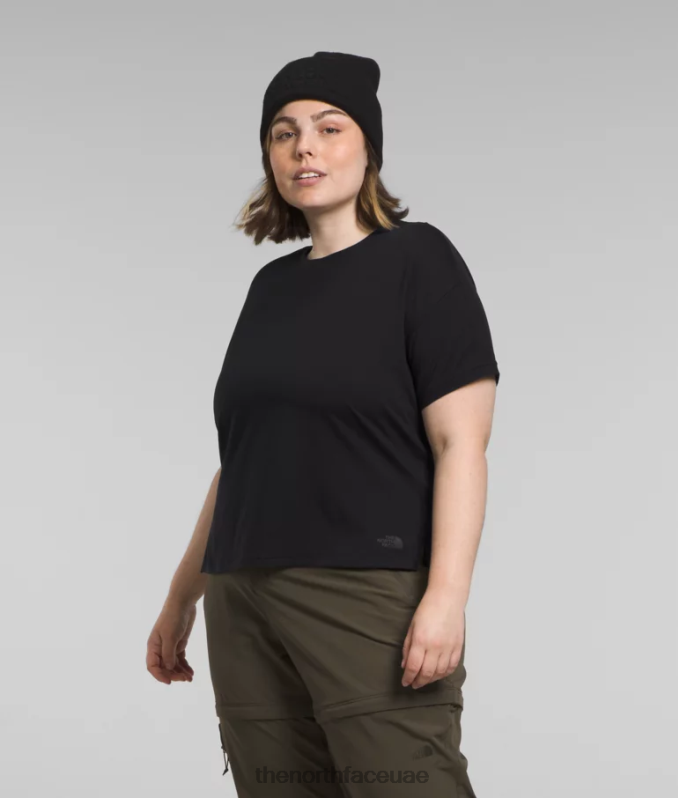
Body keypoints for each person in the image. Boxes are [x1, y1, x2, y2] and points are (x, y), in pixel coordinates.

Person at [146, 51, 501, 797]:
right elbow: (243, 463)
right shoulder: (270, 288)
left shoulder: (419, 260)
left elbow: (460, 443)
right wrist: (182, 598)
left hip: (364, 589)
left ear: (368, 147)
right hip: (242, 595)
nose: (304, 147)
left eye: (329, 128)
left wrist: (445, 597)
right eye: (284, 133)